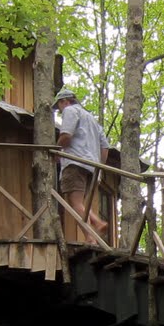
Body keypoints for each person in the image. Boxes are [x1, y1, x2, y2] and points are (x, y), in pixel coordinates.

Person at [53, 88, 110, 241]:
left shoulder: (70, 110)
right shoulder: (92, 120)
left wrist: (56, 151)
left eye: (59, 106)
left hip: (75, 163)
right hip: (91, 167)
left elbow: (66, 135)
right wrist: (99, 167)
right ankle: (90, 236)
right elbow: (105, 148)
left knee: (75, 202)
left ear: (65, 101)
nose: (59, 110)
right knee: (80, 204)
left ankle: (95, 226)